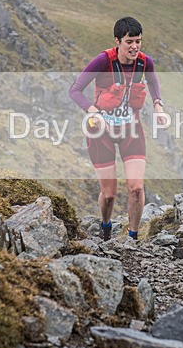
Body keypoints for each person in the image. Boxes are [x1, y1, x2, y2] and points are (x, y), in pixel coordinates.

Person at [69, 17, 166, 241]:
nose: (134, 47)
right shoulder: (103, 61)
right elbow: (74, 90)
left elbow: (153, 82)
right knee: (109, 195)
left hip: (131, 131)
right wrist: (93, 112)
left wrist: (158, 106)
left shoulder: (145, 62)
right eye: (129, 42)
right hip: (100, 132)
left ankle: (133, 238)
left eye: (138, 41)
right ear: (117, 41)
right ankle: (105, 227)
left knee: (136, 188)